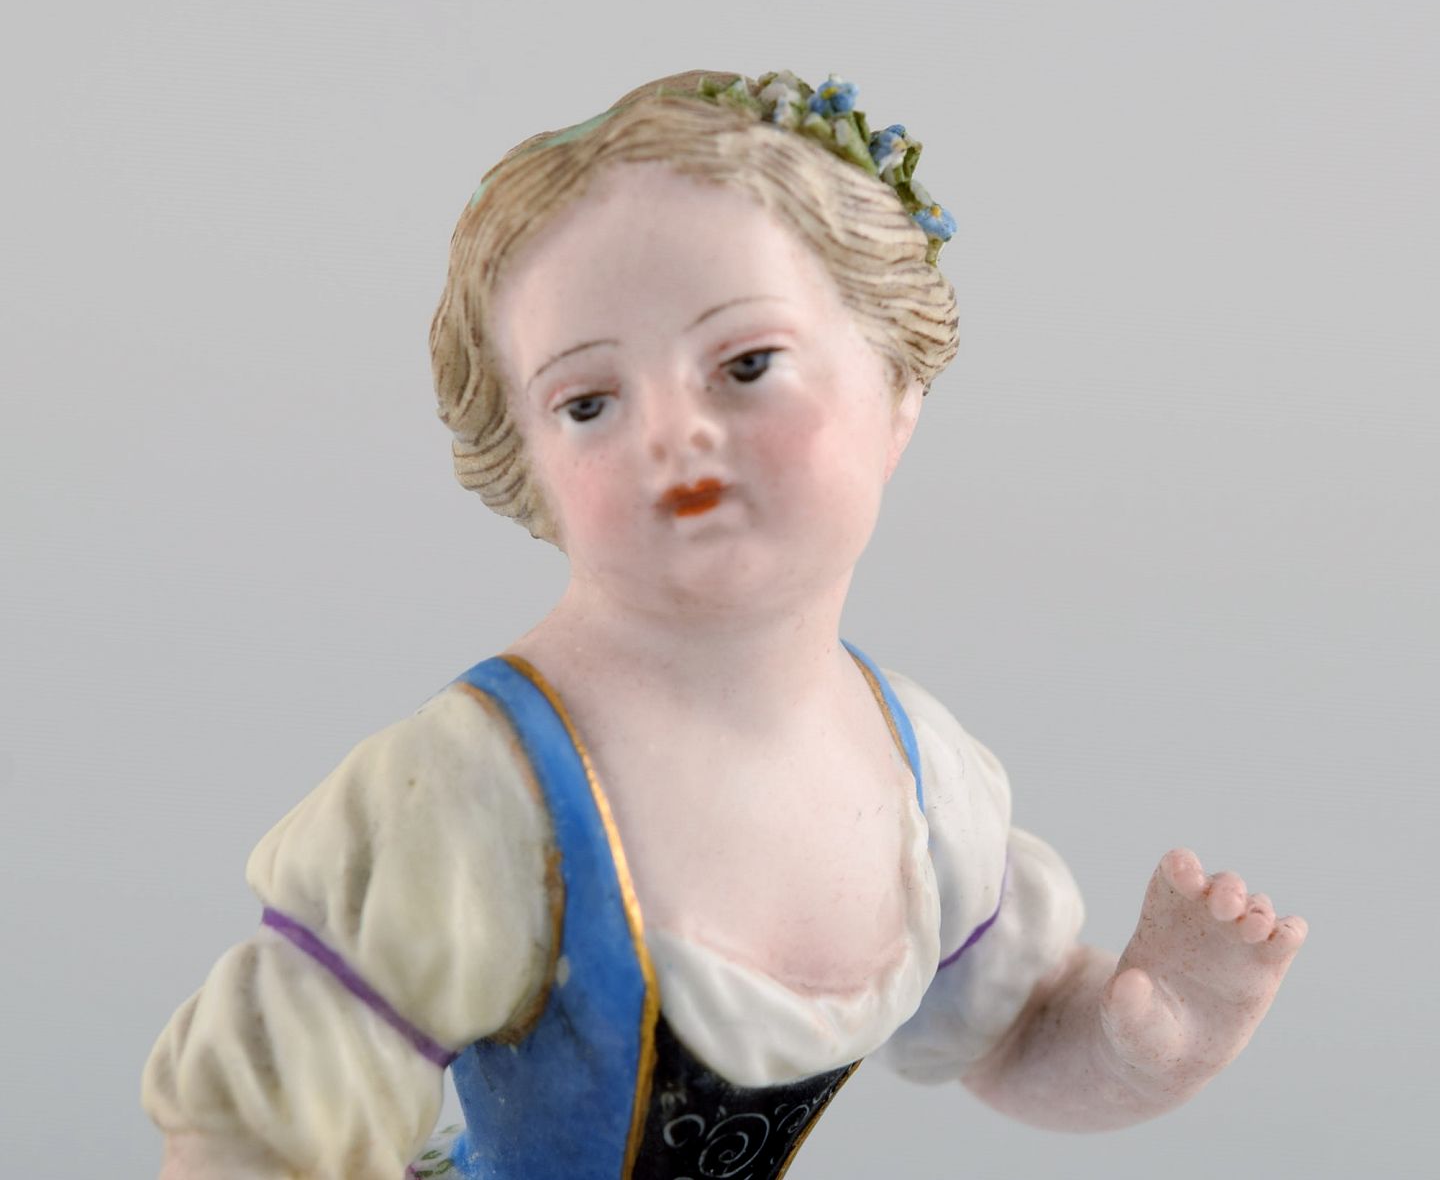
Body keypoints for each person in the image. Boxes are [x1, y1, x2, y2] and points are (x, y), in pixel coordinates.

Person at [143, 71, 1306, 1180]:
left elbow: (1011, 1034)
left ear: (897, 390)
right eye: (589, 402)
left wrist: (1148, 1033)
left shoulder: (918, 774)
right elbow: (259, 1129)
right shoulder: (477, 793)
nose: (675, 433)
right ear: (527, 462)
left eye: (746, 364)